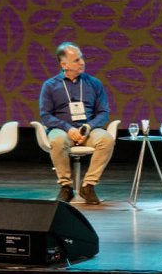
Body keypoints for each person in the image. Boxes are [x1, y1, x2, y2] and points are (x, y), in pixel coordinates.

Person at [39, 42, 114, 205]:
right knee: (57, 141)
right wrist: (68, 128)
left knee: (106, 139)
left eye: (82, 59)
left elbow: (103, 112)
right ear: (63, 64)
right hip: (61, 128)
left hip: (88, 129)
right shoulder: (50, 86)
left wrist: (89, 127)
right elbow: (45, 115)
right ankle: (66, 187)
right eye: (76, 60)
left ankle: (88, 186)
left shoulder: (94, 83)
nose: (82, 63)